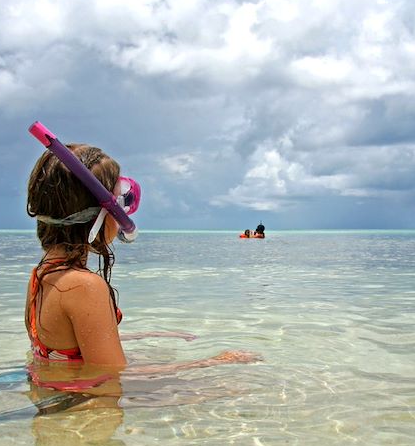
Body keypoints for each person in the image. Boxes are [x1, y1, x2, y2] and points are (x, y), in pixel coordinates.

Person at [25, 143, 259, 396]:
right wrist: (216, 361)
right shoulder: (84, 286)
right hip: (88, 416)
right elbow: (111, 375)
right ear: (103, 212)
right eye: (120, 201)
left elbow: (70, 348)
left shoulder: (42, 274)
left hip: (60, 409)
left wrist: (151, 334)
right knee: (236, 391)